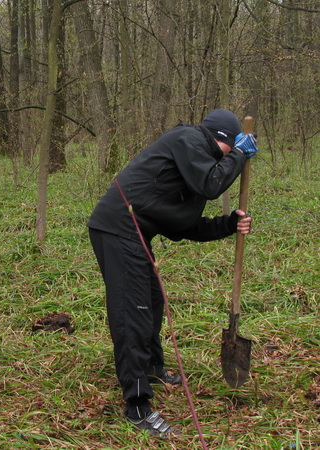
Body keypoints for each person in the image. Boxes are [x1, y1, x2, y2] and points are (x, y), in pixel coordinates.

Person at [87, 109, 257, 437]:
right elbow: (212, 184)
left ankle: (152, 368)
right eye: (230, 148)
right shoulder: (188, 140)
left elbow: (183, 226)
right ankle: (137, 405)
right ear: (220, 139)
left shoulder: (194, 166)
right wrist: (240, 154)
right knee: (133, 313)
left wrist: (229, 224)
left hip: (134, 232)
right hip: (117, 228)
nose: (228, 157)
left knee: (151, 302)